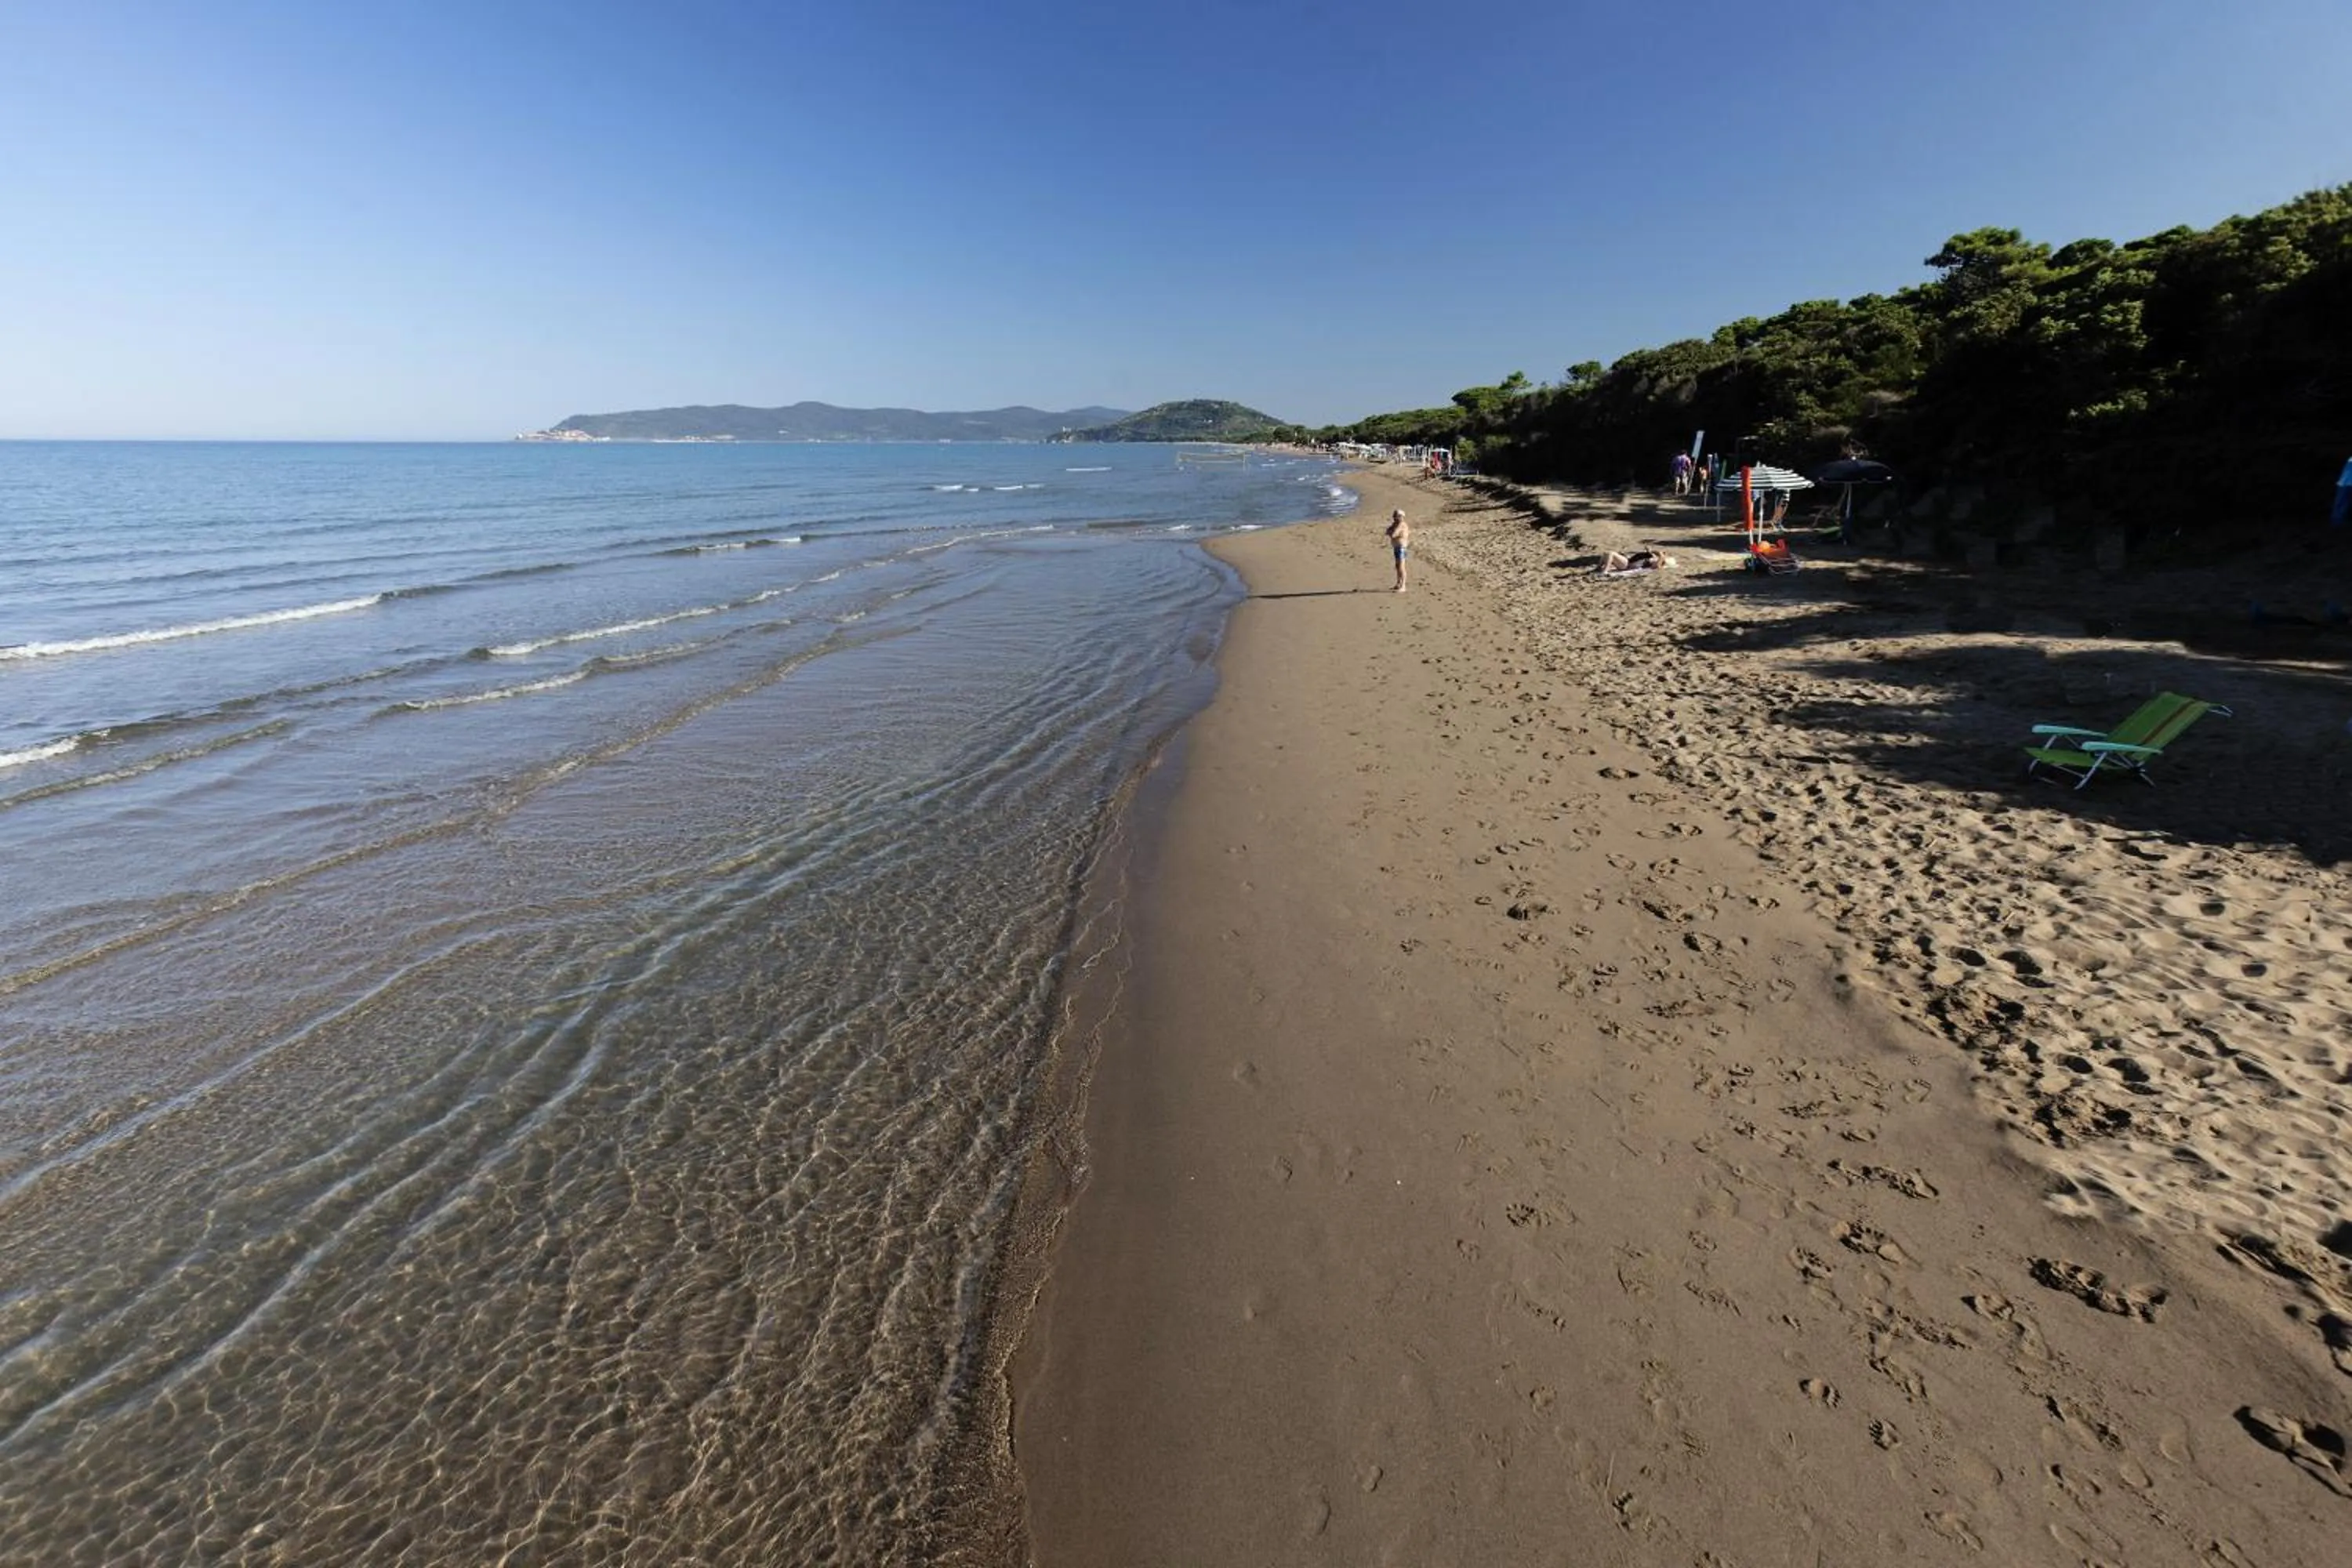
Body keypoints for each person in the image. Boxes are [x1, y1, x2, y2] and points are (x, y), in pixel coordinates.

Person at [1385, 507, 1410, 592]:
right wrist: (1391, 530)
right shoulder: (1395, 524)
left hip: (1401, 548)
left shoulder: (1401, 525)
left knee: (1401, 567)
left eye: (1396, 516)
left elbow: (1393, 534)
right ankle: (1398, 583)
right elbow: (1387, 531)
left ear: (1401, 517)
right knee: (1397, 566)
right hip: (1396, 547)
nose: (1394, 518)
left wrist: (1391, 532)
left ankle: (1403, 586)